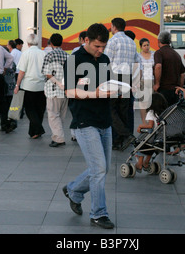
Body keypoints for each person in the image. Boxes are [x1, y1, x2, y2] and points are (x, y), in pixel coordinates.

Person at [62, 23, 115, 229]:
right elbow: (68, 91)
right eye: (97, 46)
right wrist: (96, 93)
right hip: (84, 121)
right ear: (86, 41)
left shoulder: (105, 59)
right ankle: (98, 214)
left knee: (102, 168)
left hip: (104, 120)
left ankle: (74, 190)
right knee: (99, 168)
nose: (100, 51)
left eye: (103, 46)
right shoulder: (74, 60)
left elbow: (105, 85)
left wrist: (117, 88)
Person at [104, 17, 141, 150]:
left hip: (114, 77)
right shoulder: (131, 42)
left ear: (114, 27)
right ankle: (121, 140)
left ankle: (123, 135)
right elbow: (138, 61)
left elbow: (106, 61)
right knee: (123, 109)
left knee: (111, 108)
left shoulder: (113, 41)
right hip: (127, 77)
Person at [14, 34, 46, 139]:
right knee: (40, 109)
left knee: (30, 109)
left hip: (29, 86)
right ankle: (34, 132)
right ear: (37, 42)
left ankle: (38, 129)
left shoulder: (25, 54)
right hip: (42, 86)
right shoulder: (43, 53)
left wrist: (17, 85)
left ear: (27, 43)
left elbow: (21, 72)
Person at [42, 33, 69, 148]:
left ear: (51, 43)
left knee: (53, 115)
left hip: (53, 90)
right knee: (61, 116)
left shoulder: (49, 55)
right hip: (65, 91)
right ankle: (57, 135)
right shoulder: (68, 56)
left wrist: (57, 82)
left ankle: (59, 138)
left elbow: (46, 72)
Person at [135, 92, 168, 172]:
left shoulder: (151, 112)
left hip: (155, 136)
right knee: (151, 147)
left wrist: (140, 126)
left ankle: (140, 163)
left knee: (142, 142)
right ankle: (146, 163)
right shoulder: (166, 112)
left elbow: (150, 126)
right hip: (164, 136)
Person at [153, 31, 185, 105]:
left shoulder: (159, 53)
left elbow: (158, 66)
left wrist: (157, 84)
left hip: (163, 89)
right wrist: (180, 87)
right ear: (170, 41)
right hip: (175, 90)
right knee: (172, 114)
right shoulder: (176, 54)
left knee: (163, 113)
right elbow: (183, 74)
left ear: (158, 41)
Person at [138, 38, 155, 125]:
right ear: (141, 47)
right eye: (144, 45)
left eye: (148, 45)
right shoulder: (138, 56)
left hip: (152, 81)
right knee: (143, 104)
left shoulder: (153, 54)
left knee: (151, 102)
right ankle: (144, 123)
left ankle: (151, 122)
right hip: (142, 81)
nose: (147, 47)